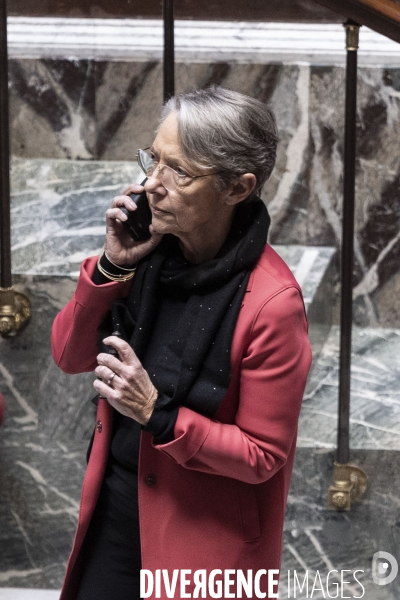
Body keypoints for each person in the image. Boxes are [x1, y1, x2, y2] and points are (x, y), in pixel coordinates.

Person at [52, 86, 312, 600]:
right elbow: (69, 355)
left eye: (180, 172)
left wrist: (157, 411)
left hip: (204, 546)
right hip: (115, 515)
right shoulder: (146, 251)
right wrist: (111, 267)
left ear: (238, 188)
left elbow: (262, 455)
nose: (151, 184)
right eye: (154, 159)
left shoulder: (272, 304)